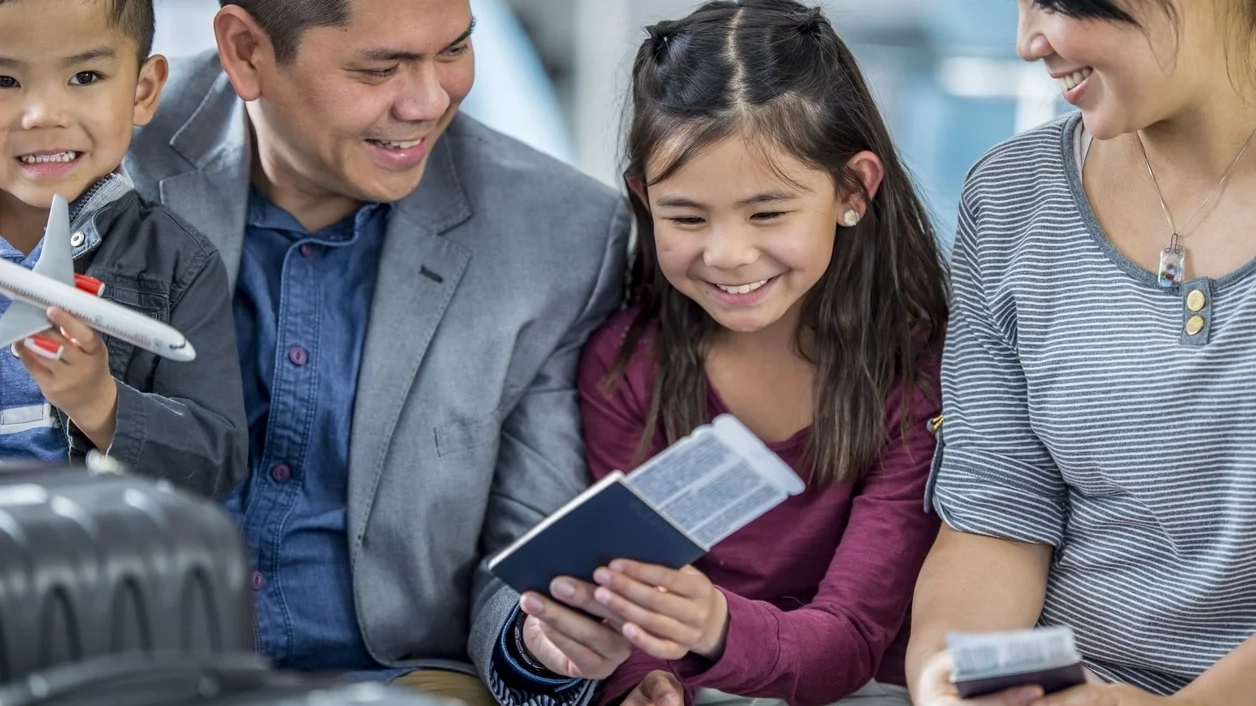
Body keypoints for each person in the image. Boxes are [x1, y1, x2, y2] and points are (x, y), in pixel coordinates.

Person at [122, 0, 632, 703]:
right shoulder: (102, 141)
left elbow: (529, 548)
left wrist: (540, 640)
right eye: (380, 68)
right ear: (245, 51)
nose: (428, 101)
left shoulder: (559, 236)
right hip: (125, 667)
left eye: (453, 50)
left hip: (398, 682)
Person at [520, 2, 948, 705]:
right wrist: (642, 679)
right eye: (686, 217)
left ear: (852, 190)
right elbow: (620, 601)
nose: (727, 254)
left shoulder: (915, 374)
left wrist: (713, 623)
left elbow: (850, 641)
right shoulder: (626, 364)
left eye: (768, 212)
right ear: (643, 198)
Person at [908, 0, 1256, 705]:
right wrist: (952, 674)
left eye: (1057, 2)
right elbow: (998, 513)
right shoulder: (1011, 196)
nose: (1027, 43)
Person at [0, 0, 245, 494]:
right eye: (4, 82)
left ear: (144, 90)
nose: (43, 115)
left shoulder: (179, 264)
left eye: (85, 76)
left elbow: (218, 463)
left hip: (83, 558)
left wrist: (101, 404)